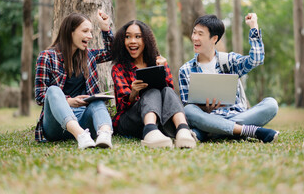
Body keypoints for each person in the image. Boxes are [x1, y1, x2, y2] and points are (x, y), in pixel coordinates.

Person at [179, 13, 280, 143]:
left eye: (200, 34)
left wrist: (253, 27)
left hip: (237, 116)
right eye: (194, 33)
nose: (194, 38)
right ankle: (248, 131)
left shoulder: (229, 61)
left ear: (214, 38)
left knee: (271, 104)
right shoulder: (185, 70)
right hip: (207, 117)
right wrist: (205, 109)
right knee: (188, 110)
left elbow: (256, 59)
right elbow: (189, 108)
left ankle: (211, 132)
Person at [34, 10, 114, 149]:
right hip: (56, 126)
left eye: (90, 31)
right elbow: (40, 96)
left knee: (97, 100)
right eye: (85, 31)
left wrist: (105, 28)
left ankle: (105, 135)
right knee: (53, 90)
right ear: (70, 32)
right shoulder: (47, 57)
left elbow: (112, 53)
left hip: (84, 120)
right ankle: (81, 136)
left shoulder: (89, 56)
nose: (89, 36)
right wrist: (69, 101)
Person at [111, 20, 196, 148]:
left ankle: (183, 130)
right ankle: (149, 131)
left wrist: (162, 69)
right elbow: (122, 108)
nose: (132, 41)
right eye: (128, 37)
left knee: (167, 90)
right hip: (131, 120)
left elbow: (169, 97)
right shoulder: (119, 68)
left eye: (138, 36)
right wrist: (133, 92)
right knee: (152, 91)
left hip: (159, 117)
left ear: (146, 40)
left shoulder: (158, 61)